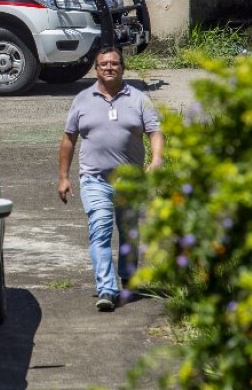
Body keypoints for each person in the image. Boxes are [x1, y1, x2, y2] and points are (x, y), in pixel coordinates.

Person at [58, 48, 164, 312]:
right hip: (95, 179)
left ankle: (128, 277)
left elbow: (155, 132)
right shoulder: (82, 100)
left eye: (115, 64)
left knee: (129, 232)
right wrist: (63, 177)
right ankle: (107, 288)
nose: (109, 68)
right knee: (100, 230)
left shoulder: (139, 99)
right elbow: (69, 138)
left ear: (123, 68)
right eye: (104, 64)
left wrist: (156, 159)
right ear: (96, 69)